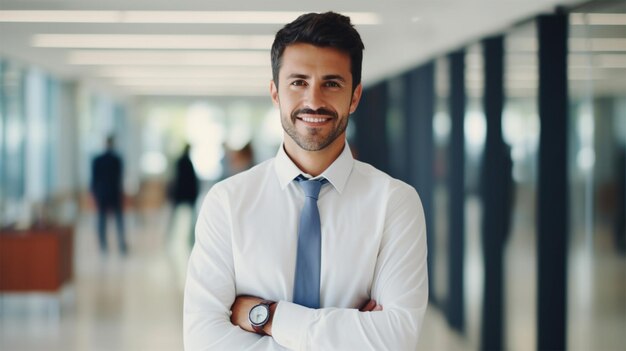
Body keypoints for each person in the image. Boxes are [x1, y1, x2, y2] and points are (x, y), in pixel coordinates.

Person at [184, 12, 428, 350]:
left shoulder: (395, 203)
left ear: (354, 97)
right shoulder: (227, 202)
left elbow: (396, 338)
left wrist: (265, 317)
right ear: (275, 93)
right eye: (298, 82)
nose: (314, 101)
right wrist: (351, 333)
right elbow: (203, 340)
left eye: (331, 83)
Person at [90, 135, 127, 254]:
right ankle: (120, 244)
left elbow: (94, 180)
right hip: (113, 193)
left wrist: (94, 193)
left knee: (103, 220)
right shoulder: (116, 160)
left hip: (103, 193)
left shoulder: (98, 160)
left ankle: (104, 245)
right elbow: (119, 178)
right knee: (116, 220)